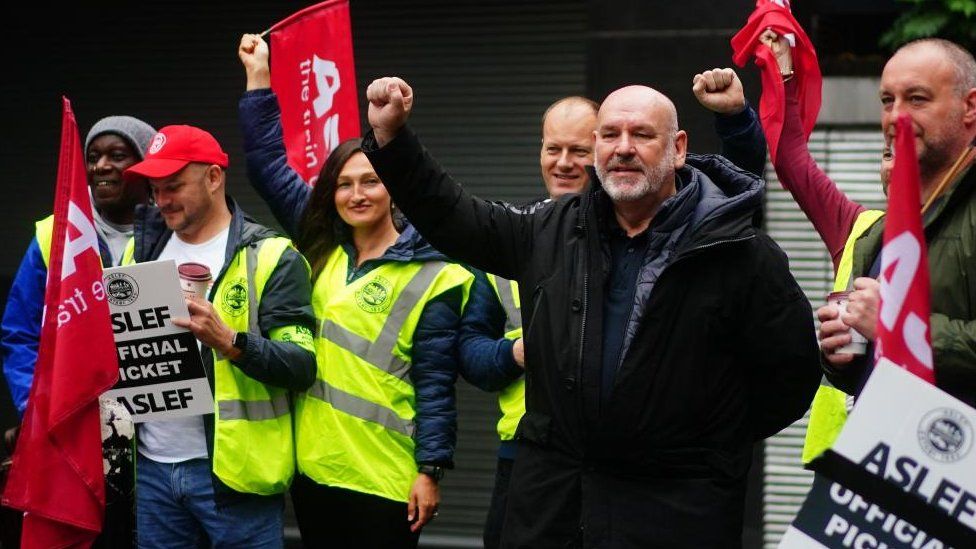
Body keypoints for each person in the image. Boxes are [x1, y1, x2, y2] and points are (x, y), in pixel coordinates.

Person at [361, 75, 820, 546]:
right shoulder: (550, 229)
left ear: (678, 148)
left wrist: (706, 446)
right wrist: (392, 139)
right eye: (609, 135)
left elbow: (791, 373)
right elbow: (454, 217)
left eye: (641, 135)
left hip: (677, 512)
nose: (623, 148)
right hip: (554, 508)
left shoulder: (738, 250)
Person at [475, 76, 769, 549]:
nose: (565, 162)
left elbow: (735, 194)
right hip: (530, 459)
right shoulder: (518, 233)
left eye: (577, 149)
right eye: (554, 148)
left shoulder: (657, 230)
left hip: (638, 476)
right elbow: (467, 352)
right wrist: (513, 355)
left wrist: (735, 119)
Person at [238, 34, 474, 547]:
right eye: (344, 184)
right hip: (314, 469)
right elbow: (267, 168)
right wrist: (259, 77)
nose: (356, 194)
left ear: (394, 187)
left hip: (385, 477)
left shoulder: (433, 271)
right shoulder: (319, 240)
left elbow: (436, 387)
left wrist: (430, 470)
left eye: (370, 181)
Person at [759, 34, 976, 461]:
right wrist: (843, 355)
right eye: (887, 101)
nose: (897, 117)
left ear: (970, 107)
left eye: (916, 99)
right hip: (884, 473)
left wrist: (896, 325)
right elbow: (876, 370)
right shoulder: (875, 235)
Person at [121, 124, 317, 548]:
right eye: (154, 189)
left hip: (235, 479)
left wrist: (230, 341)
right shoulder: (138, 251)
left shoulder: (272, 256)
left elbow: (302, 365)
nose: (161, 200)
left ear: (214, 177)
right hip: (152, 467)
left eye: (173, 186)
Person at [1, 115, 156, 547]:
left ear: (144, 166)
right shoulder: (54, 234)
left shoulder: (174, 227)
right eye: (93, 157)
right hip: (78, 426)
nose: (101, 166)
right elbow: (19, 333)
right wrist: (37, 408)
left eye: (117, 156)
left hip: (156, 438)